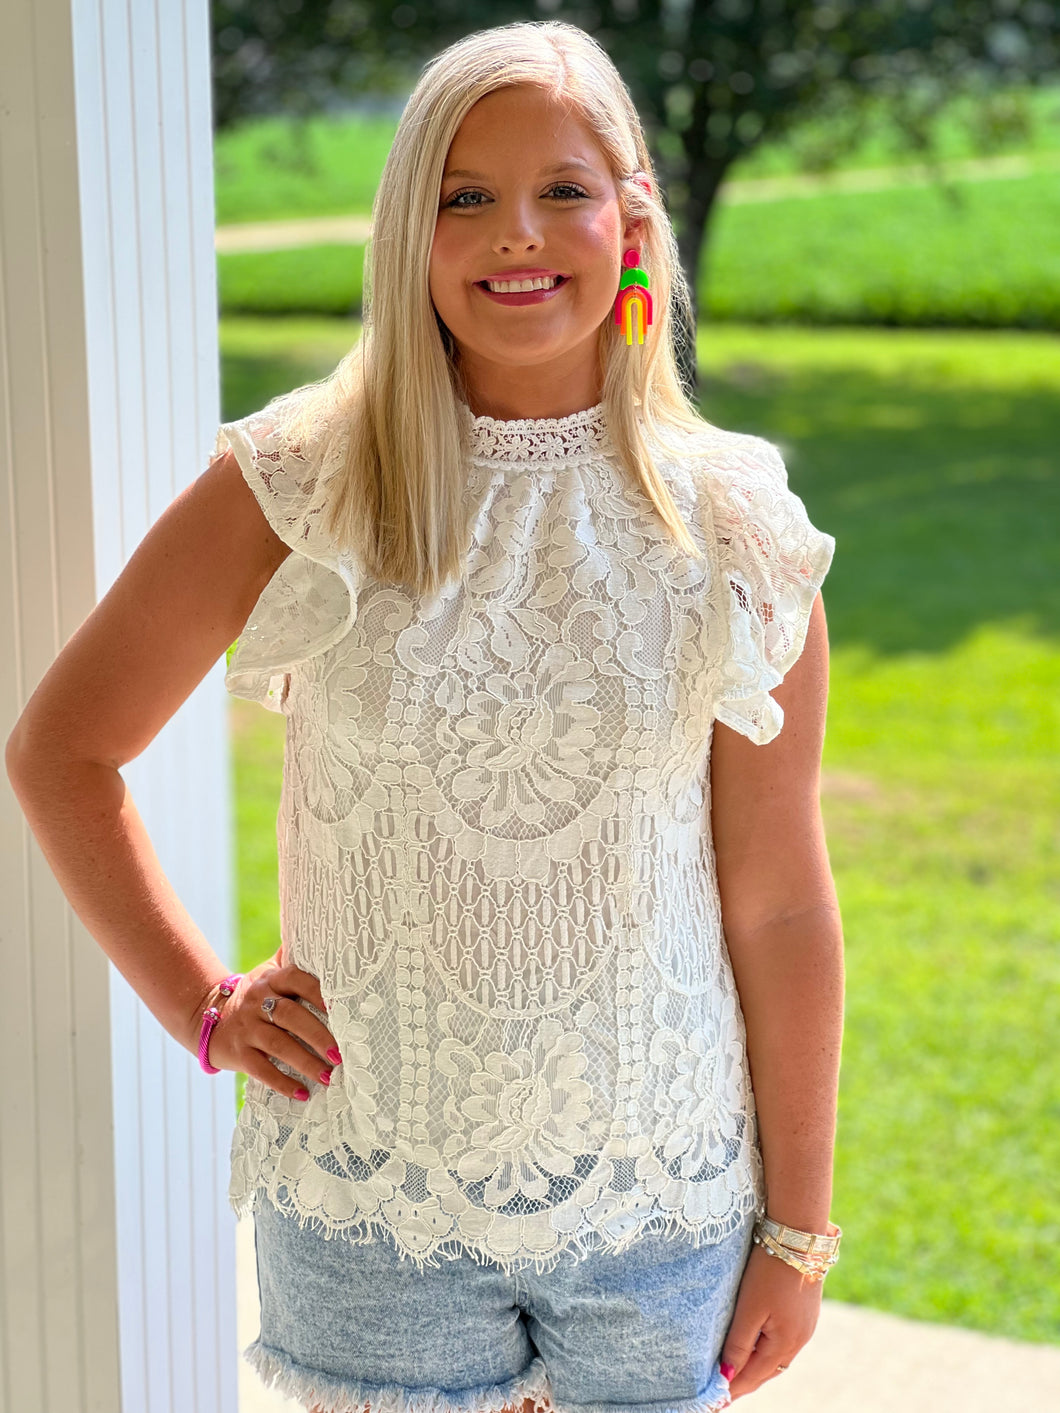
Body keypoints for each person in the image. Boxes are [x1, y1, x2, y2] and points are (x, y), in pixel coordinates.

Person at [4, 19, 844, 1413]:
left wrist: (797, 1233)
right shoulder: (301, 479)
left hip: (662, 1215)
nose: (519, 234)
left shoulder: (738, 525)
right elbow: (63, 748)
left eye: (564, 189)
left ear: (633, 212)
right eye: (466, 195)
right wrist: (204, 1005)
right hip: (372, 1205)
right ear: (412, 230)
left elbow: (777, 904)